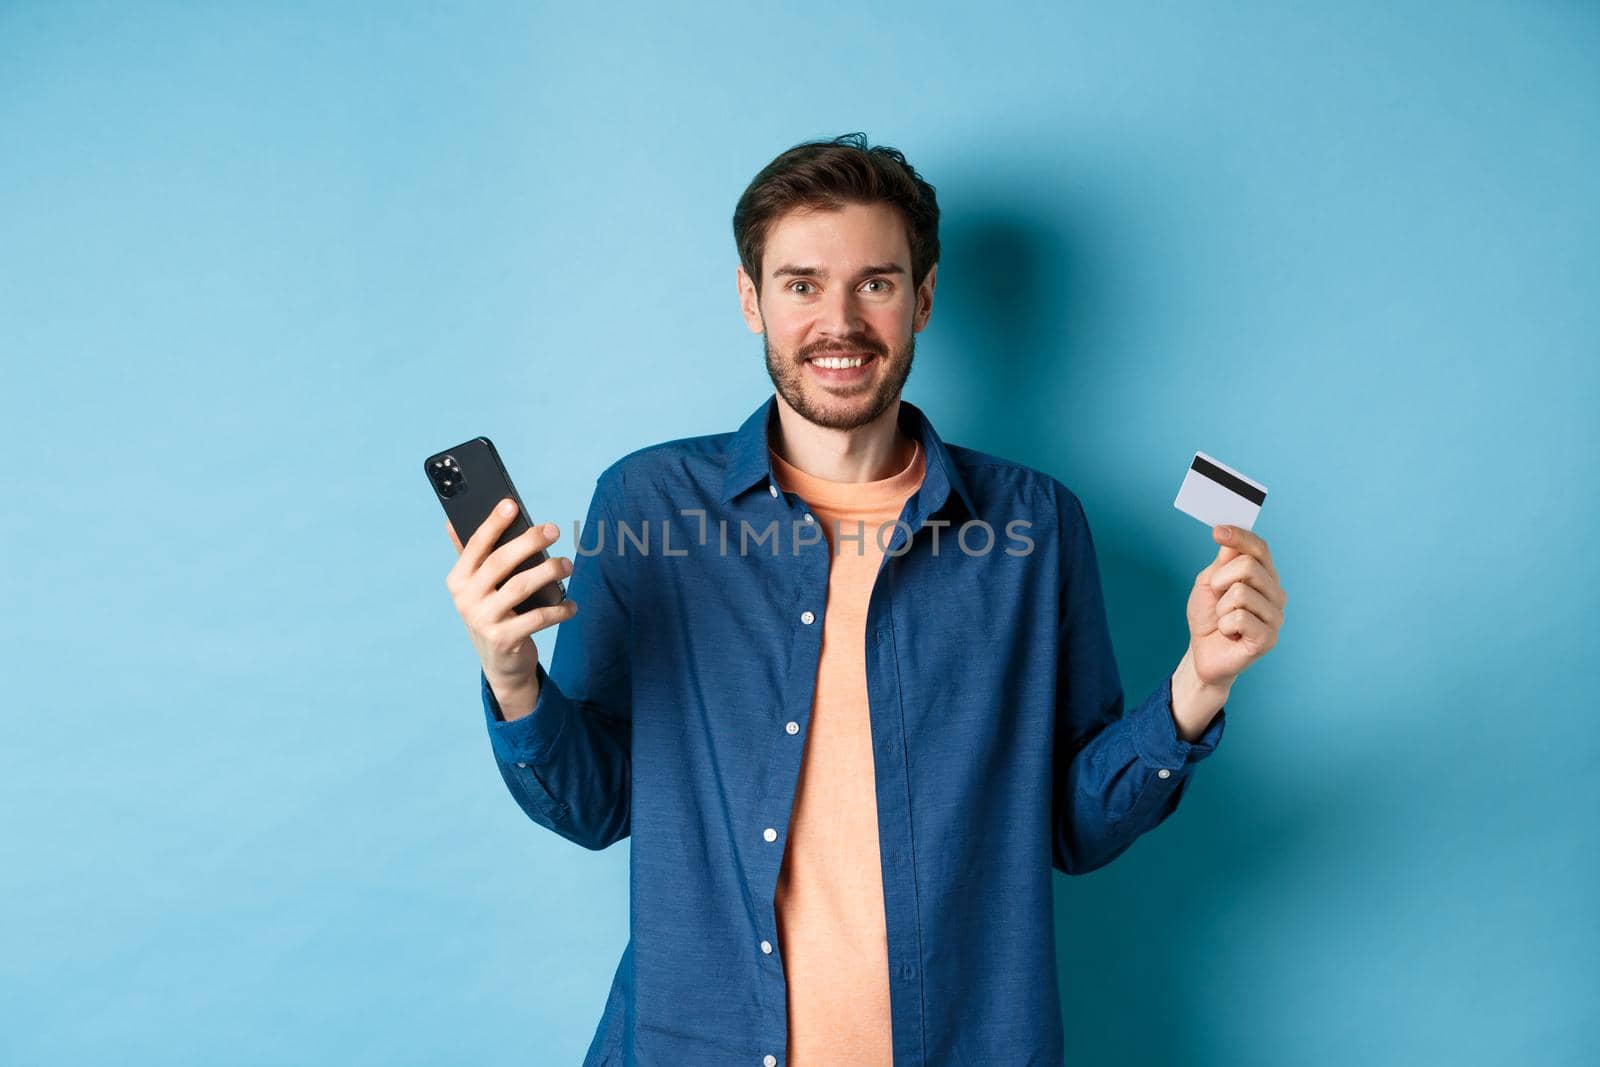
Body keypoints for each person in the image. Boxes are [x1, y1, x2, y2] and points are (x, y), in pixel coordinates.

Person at [442, 132, 1287, 1066]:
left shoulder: (1037, 525)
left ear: (922, 299)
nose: (837, 322)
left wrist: (1197, 686)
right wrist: (511, 671)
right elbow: (594, 803)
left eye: (874, 283)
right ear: (749, 299)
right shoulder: (648, 507)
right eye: (801, 284)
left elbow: (1070, 825)